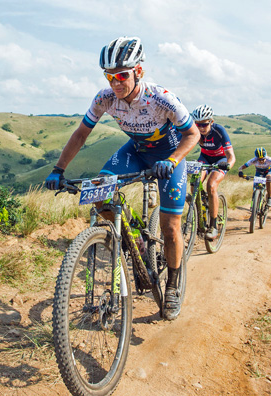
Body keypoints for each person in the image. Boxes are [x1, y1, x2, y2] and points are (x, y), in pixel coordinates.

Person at [44, 36, 200, 321]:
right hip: (137, 150)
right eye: (110, 76)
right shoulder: (104, 98)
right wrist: (59, 169)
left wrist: (173, 160)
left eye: (122, 76)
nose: (115, 82)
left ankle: (174, 283)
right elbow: (81, 134)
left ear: (138, 72)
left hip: (169, 157)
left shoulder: (161, 97)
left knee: (170, 225)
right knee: (99, 193)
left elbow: (193, 134)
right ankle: (135, 241)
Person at [192, 104, 235, 240]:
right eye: (197, 124)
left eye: (204, 125)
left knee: (211, 185)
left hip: (220, 160)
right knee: (194, 184)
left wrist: (227, 165)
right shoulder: (196, 130)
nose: (200, 128)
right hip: (204, 158)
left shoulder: (219, 131)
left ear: (211, 122)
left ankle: (214, 225)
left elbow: (231, 156)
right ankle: (200, 214)